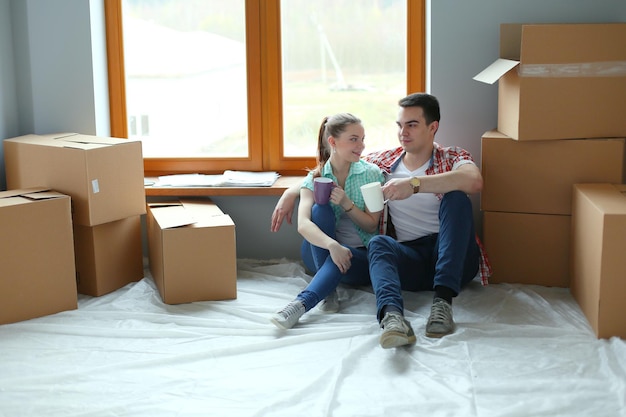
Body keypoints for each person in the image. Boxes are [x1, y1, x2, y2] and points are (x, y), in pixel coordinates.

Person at [271, 93, 491, 348]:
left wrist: (414, 185)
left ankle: (442, 303)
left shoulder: (452, 157)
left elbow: (474, 181)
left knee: (457, 199)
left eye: (412, 124)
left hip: (453, 259)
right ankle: (392, 317)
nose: (403, 132)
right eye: (399, 125)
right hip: (411, 257)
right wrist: (291, 192)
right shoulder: (383, 162)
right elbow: (339, 164)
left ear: (433, 127)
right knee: (379, 243)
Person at [270, 113, 385, 330]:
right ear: (333, 142)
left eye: (362, 138)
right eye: (354, 139)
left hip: (358, 258)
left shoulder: (372, 174)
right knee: (320, 209)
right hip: (319, 252)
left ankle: (300, 304)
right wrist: (333, 245)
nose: (361, 145)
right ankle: (328, 290)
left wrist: (346, 203)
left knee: (336, 257)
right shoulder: (315, 178)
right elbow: (303, 224)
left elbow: (371, 225)